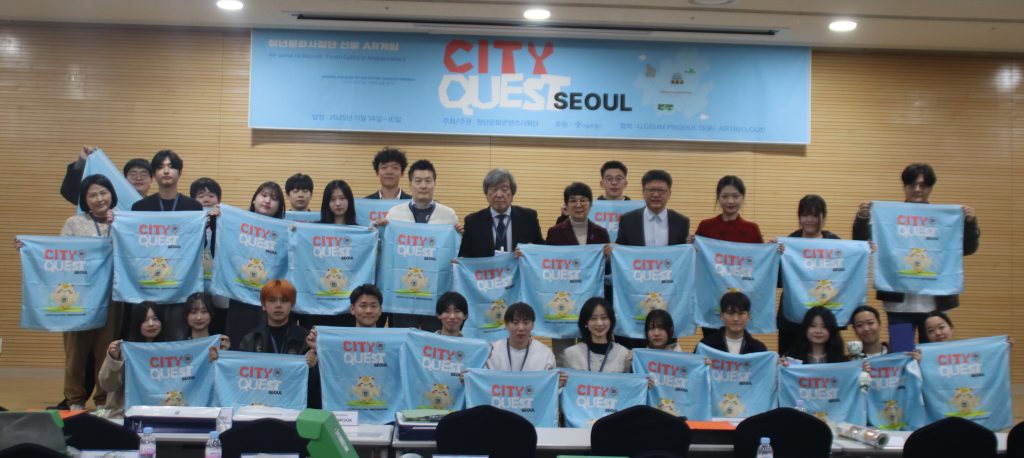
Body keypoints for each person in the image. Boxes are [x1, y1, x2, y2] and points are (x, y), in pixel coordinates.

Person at [852, 163, 981, 351]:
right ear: (904, 186)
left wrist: (970, 224)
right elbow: (861, 245)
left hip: (935, 304)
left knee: (932, 356)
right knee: (902, 353)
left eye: (923, 185)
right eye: (912, 184)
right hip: (899, 305)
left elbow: (967, 249)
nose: (918, 189)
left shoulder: (944, 218)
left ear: (931, 188)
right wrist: (862, 219)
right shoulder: (889, 216)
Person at [49, 175, 123, 411]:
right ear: (85, 199)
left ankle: (103, 400)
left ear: (112, 194)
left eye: (103, 192)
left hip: (111, 297)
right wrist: (28, 248)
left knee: (106, 350)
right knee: (75, 353)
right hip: (78, 298)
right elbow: (59, 255)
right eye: (92, 195)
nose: (99, 199)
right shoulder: (74, 223)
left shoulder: (124, 220)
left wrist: (119, 226)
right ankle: (75, 400)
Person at [777, 194, 841, 356]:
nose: (809, 220)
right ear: (799, 217)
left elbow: (846, 271)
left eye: (814, 215)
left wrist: (866, 248)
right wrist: (774, 256)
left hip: (825, 317)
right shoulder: (789, 242)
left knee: (826, 360)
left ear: (823, 217)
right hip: (792, 318)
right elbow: (778, 281)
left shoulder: (835, 242)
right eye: (805, 215)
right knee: (789, 360)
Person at [225, 182, 286, 347]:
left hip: (270, 299)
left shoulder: (286, 232)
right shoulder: (237, 224)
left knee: (265, 346)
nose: (267, 201)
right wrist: (218, 220)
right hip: (239, 296)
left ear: (279, 207)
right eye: (264, 195)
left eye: (274, 198)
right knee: (238, 344)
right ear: (254, 200)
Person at [98, 303, 164, 418]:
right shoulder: (122, 349)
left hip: (159, 414)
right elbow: (107, 385)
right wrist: (114, 359)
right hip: (123, 415)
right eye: (145, 320)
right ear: (136, 322)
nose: (151, 324)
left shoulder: (170, 350)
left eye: (155, 319)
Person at [459, 168, 544, 258]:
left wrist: (532, 250)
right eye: (494, 189)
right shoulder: (473, 222)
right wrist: (460, 262)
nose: (499, 195)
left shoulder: (528, 218)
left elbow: (542, 250)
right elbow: (465, 256)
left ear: (512, 194)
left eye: (504, 189)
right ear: (486, 194)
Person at [190, 177, 230, 330]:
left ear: (219, 200)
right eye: (200, 196)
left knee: (220, 320)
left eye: (211, 195)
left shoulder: (228, 222)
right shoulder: (187, 223)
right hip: (195, 282)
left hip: (219, 283)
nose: (206, 199)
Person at [615, 169, 689, 247]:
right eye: (651, 190)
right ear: (643, 192)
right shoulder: (627, 220)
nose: (656, 194)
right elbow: (620, 250)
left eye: (661, 190)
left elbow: (683, 251)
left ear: (669, 194)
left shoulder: (681, 222)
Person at [60, 146, 153, 205]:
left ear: (151, 180)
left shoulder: (155, 205)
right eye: (133, 174)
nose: (138, 178)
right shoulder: (109, 201)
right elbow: (70, 193)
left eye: (144, 174)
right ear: (124, 179)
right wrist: (81, 163)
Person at [562, 297, 631, 373]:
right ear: (585, 322)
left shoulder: (624, 354)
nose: (599, 323)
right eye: (593, 318)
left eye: (604, 318)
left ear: (611, 321)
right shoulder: (571, 354)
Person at [385, 159, 459, 225]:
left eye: (428, 181)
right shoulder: (394, 214)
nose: (423, 186)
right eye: (418, 181)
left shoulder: (449, 215)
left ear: (434, 184)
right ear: (410, 185)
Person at [486, 302, 556, 371]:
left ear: (533, 325)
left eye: (526, 323)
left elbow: (551, 377)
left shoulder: (545, 354)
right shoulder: (491, 352)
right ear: (506, 324)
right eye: (515, 323)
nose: (521, 328)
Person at [693, 175, 763, 243]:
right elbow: (695, 249)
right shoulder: (705, 226)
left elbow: (761, 251)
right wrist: (690, 242)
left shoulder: (752, 229)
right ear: (718, 198)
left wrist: (769, 247)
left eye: (735, 196)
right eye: (725, 196)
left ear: (743, 198)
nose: (730, 201)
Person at [697, 291, 768, 354]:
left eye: (741, 313)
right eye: (730, 313)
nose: (736, 319)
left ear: (749, 316)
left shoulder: (759, 349)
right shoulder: (706, 346)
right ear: (721, 315)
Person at [546, 182, 610, 245]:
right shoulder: (554, 233)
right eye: (573, 201)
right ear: (566, 205)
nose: (578, 205)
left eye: (583, 200)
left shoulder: (601, 233)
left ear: (590, 204)